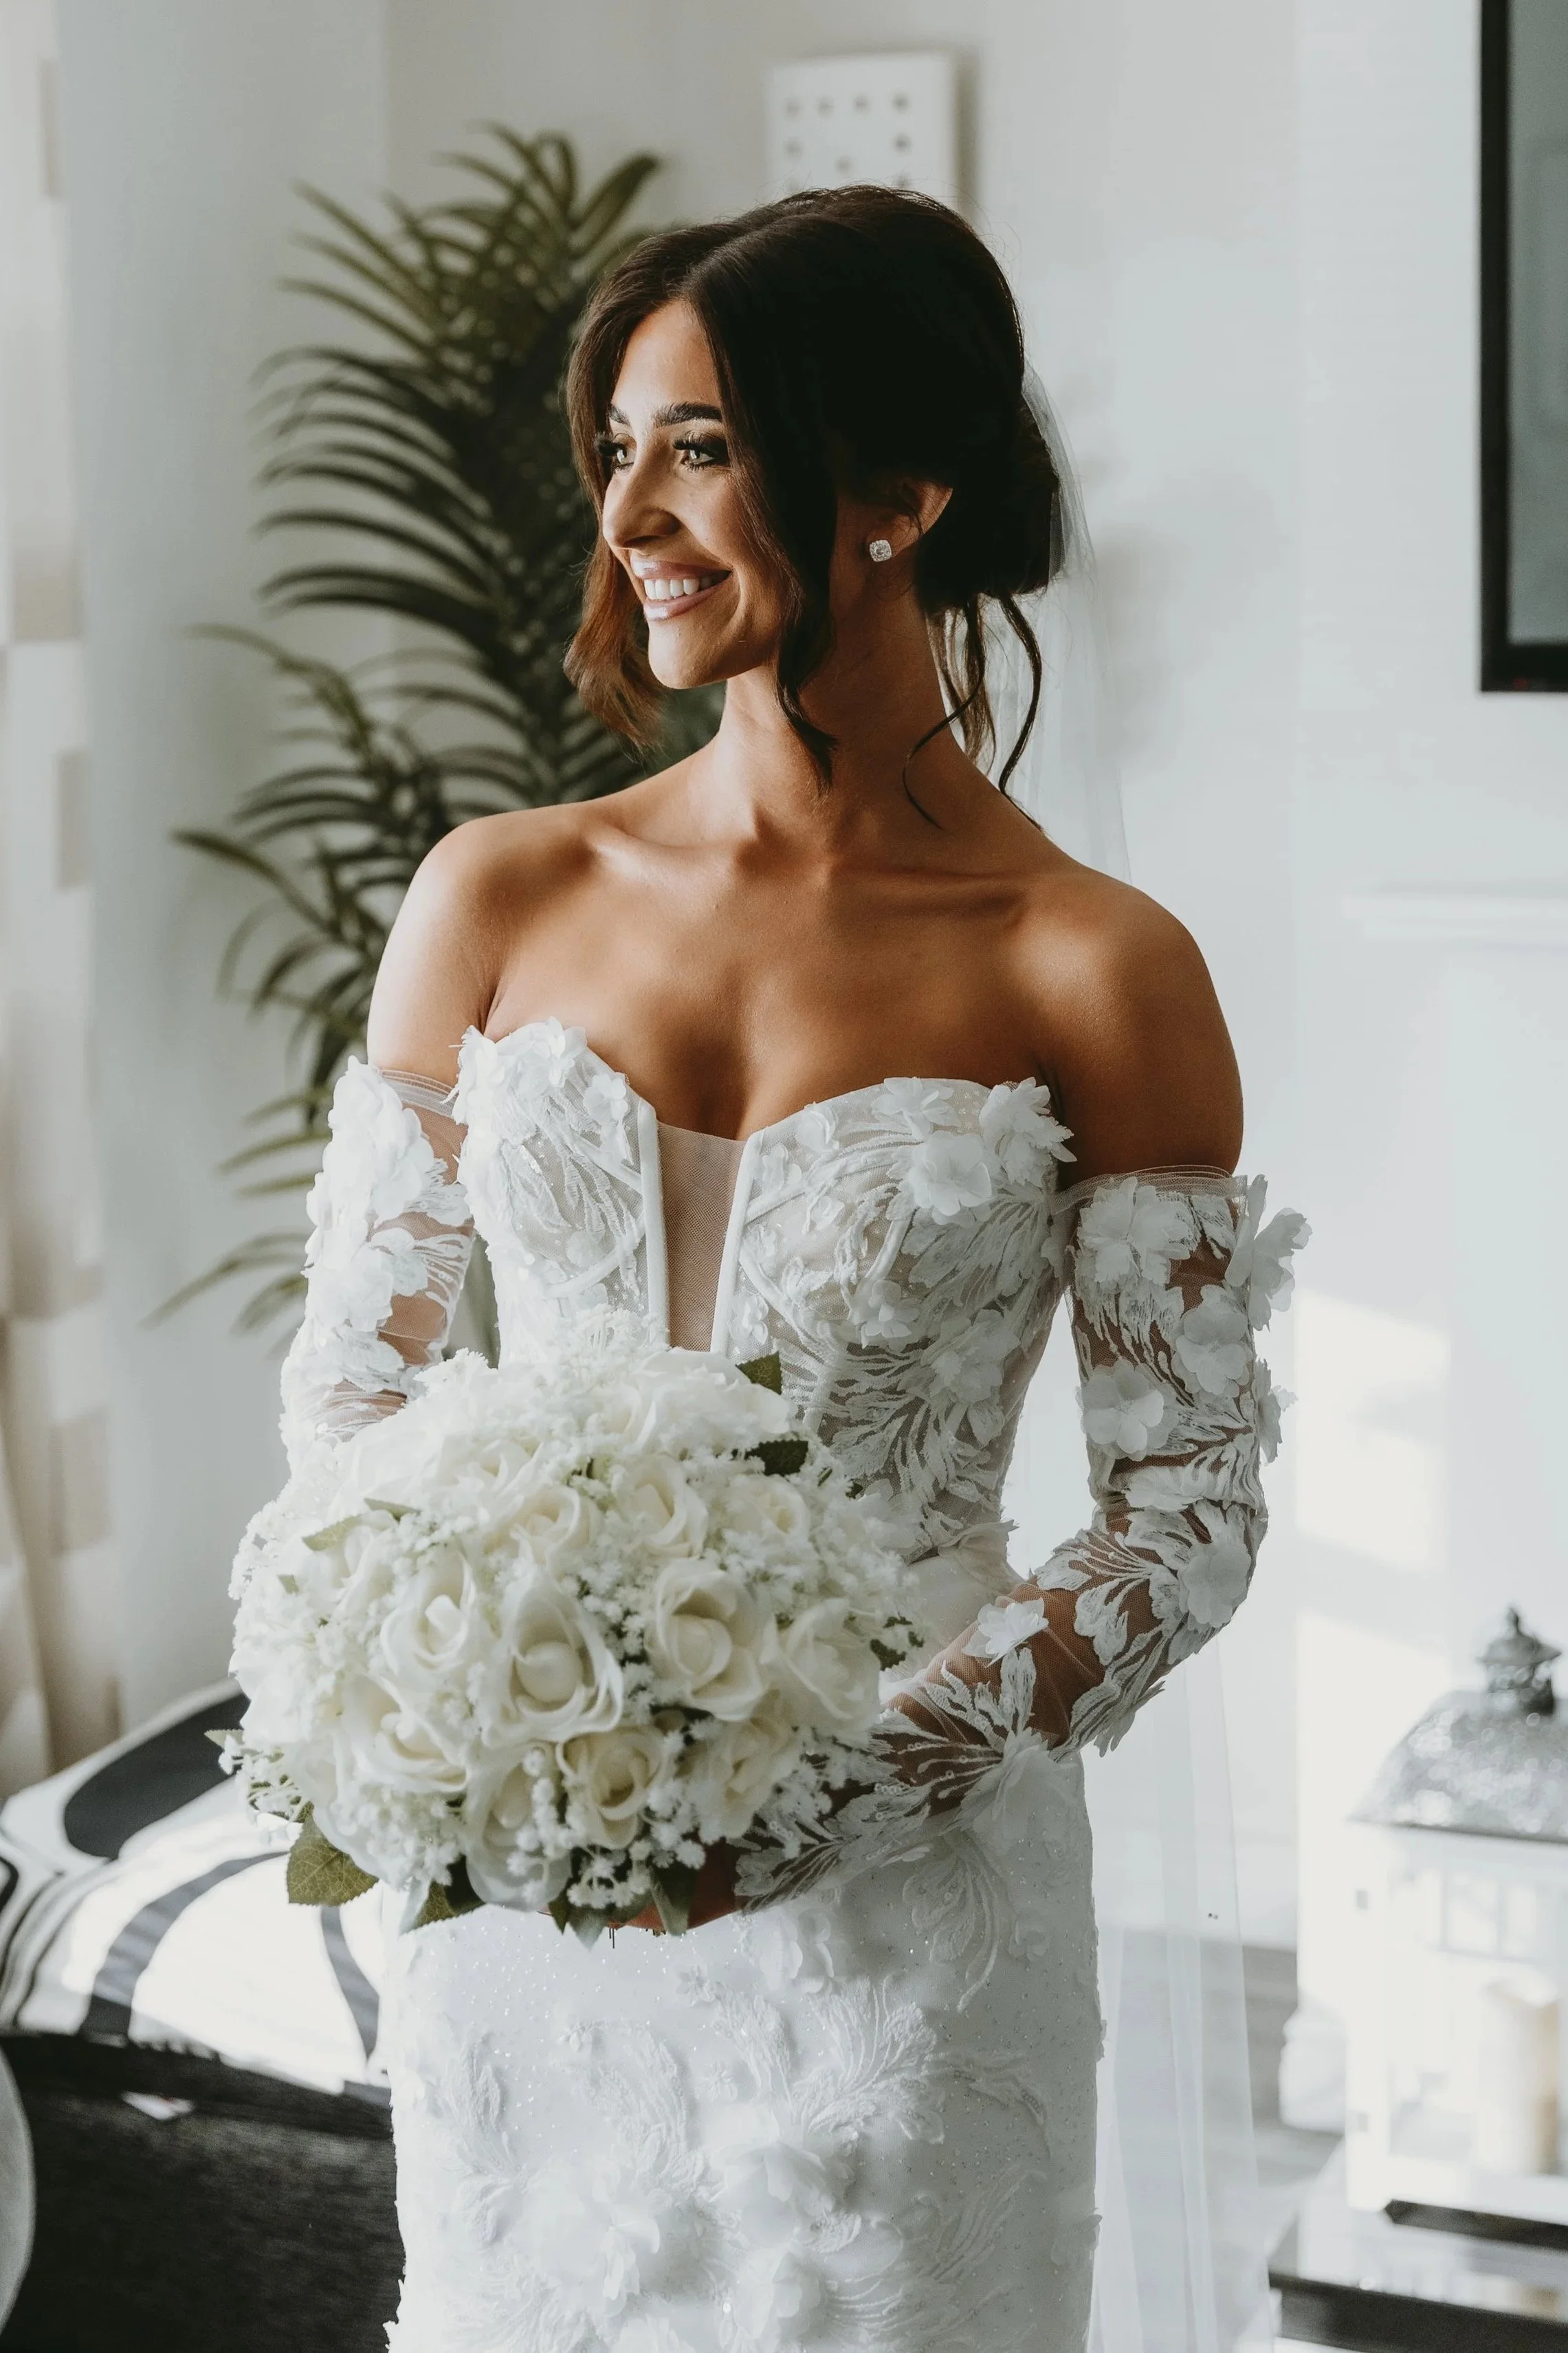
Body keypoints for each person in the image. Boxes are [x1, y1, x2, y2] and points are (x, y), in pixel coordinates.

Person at [275, 186, 1302, 2353]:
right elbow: (354, 1403)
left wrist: (860, 1768)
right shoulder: (494, 895)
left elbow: (1185, 1521)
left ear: (903, 496)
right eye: (620, 448)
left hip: (910, 1940)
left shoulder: (1095, 965)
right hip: (529, 1902)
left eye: (705, 448)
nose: (630, 512)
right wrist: (442, 1719)